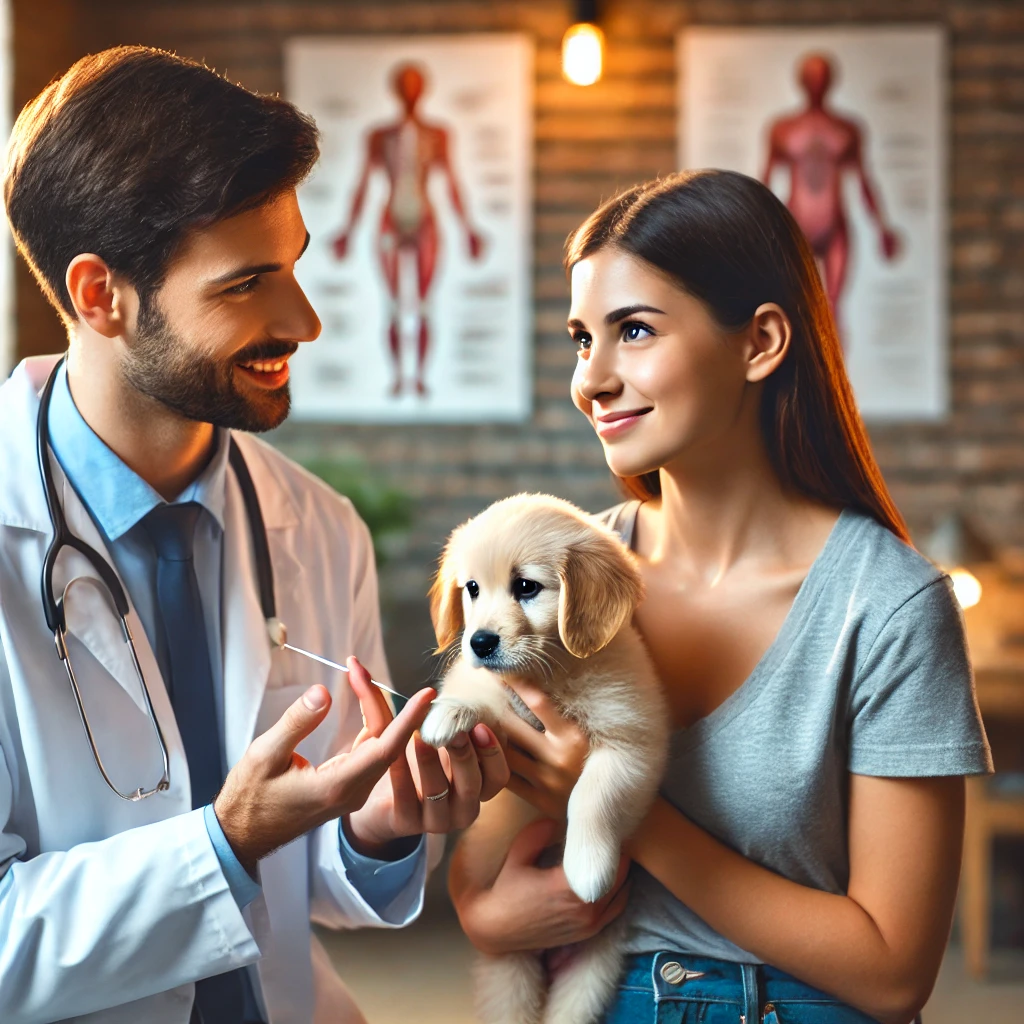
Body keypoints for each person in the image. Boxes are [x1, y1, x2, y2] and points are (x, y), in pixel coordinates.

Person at [0, 47, 508, 1024]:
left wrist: (376, 824)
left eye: (296, 265)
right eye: (246, 284)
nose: (303, 319)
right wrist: (223, 841)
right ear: (100, 293)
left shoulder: (316, 527)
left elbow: (305, 887)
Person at [449, 170, 991, 1024]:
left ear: (761, 342)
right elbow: (491, 855)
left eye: (633, 331)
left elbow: (893, 971)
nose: (591, 379)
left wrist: (621, 810)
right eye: (580, 339)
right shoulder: (564, 569)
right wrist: (485, 913)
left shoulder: (886, 605)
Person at [330, 62, 485, 398]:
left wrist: (467, 229)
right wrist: (348, 230)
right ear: (396, 90)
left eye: (416, 85)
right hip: (390, 220)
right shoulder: (378, 136)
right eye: (405, 85)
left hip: (425, 219)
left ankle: (420, 378)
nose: (411, 93)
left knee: (424, 302)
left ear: (423, 90)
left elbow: (452, 182)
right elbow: (362, 183)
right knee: (393, 303)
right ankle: (399, 376)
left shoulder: (438, 134)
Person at [762, 53, 900, 338]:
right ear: (801, 81)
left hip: (835, 225)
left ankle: (835, 382)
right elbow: (765, 179)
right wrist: (752, 227)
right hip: (797, 225)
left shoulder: (847, 129)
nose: (816, 83)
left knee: (835, 312)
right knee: (795, 308)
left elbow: (863, 180)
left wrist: (881, 228)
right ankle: (800, 380)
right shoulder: (783, 128)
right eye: (811, 76)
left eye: (821, 76)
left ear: (830, 81)